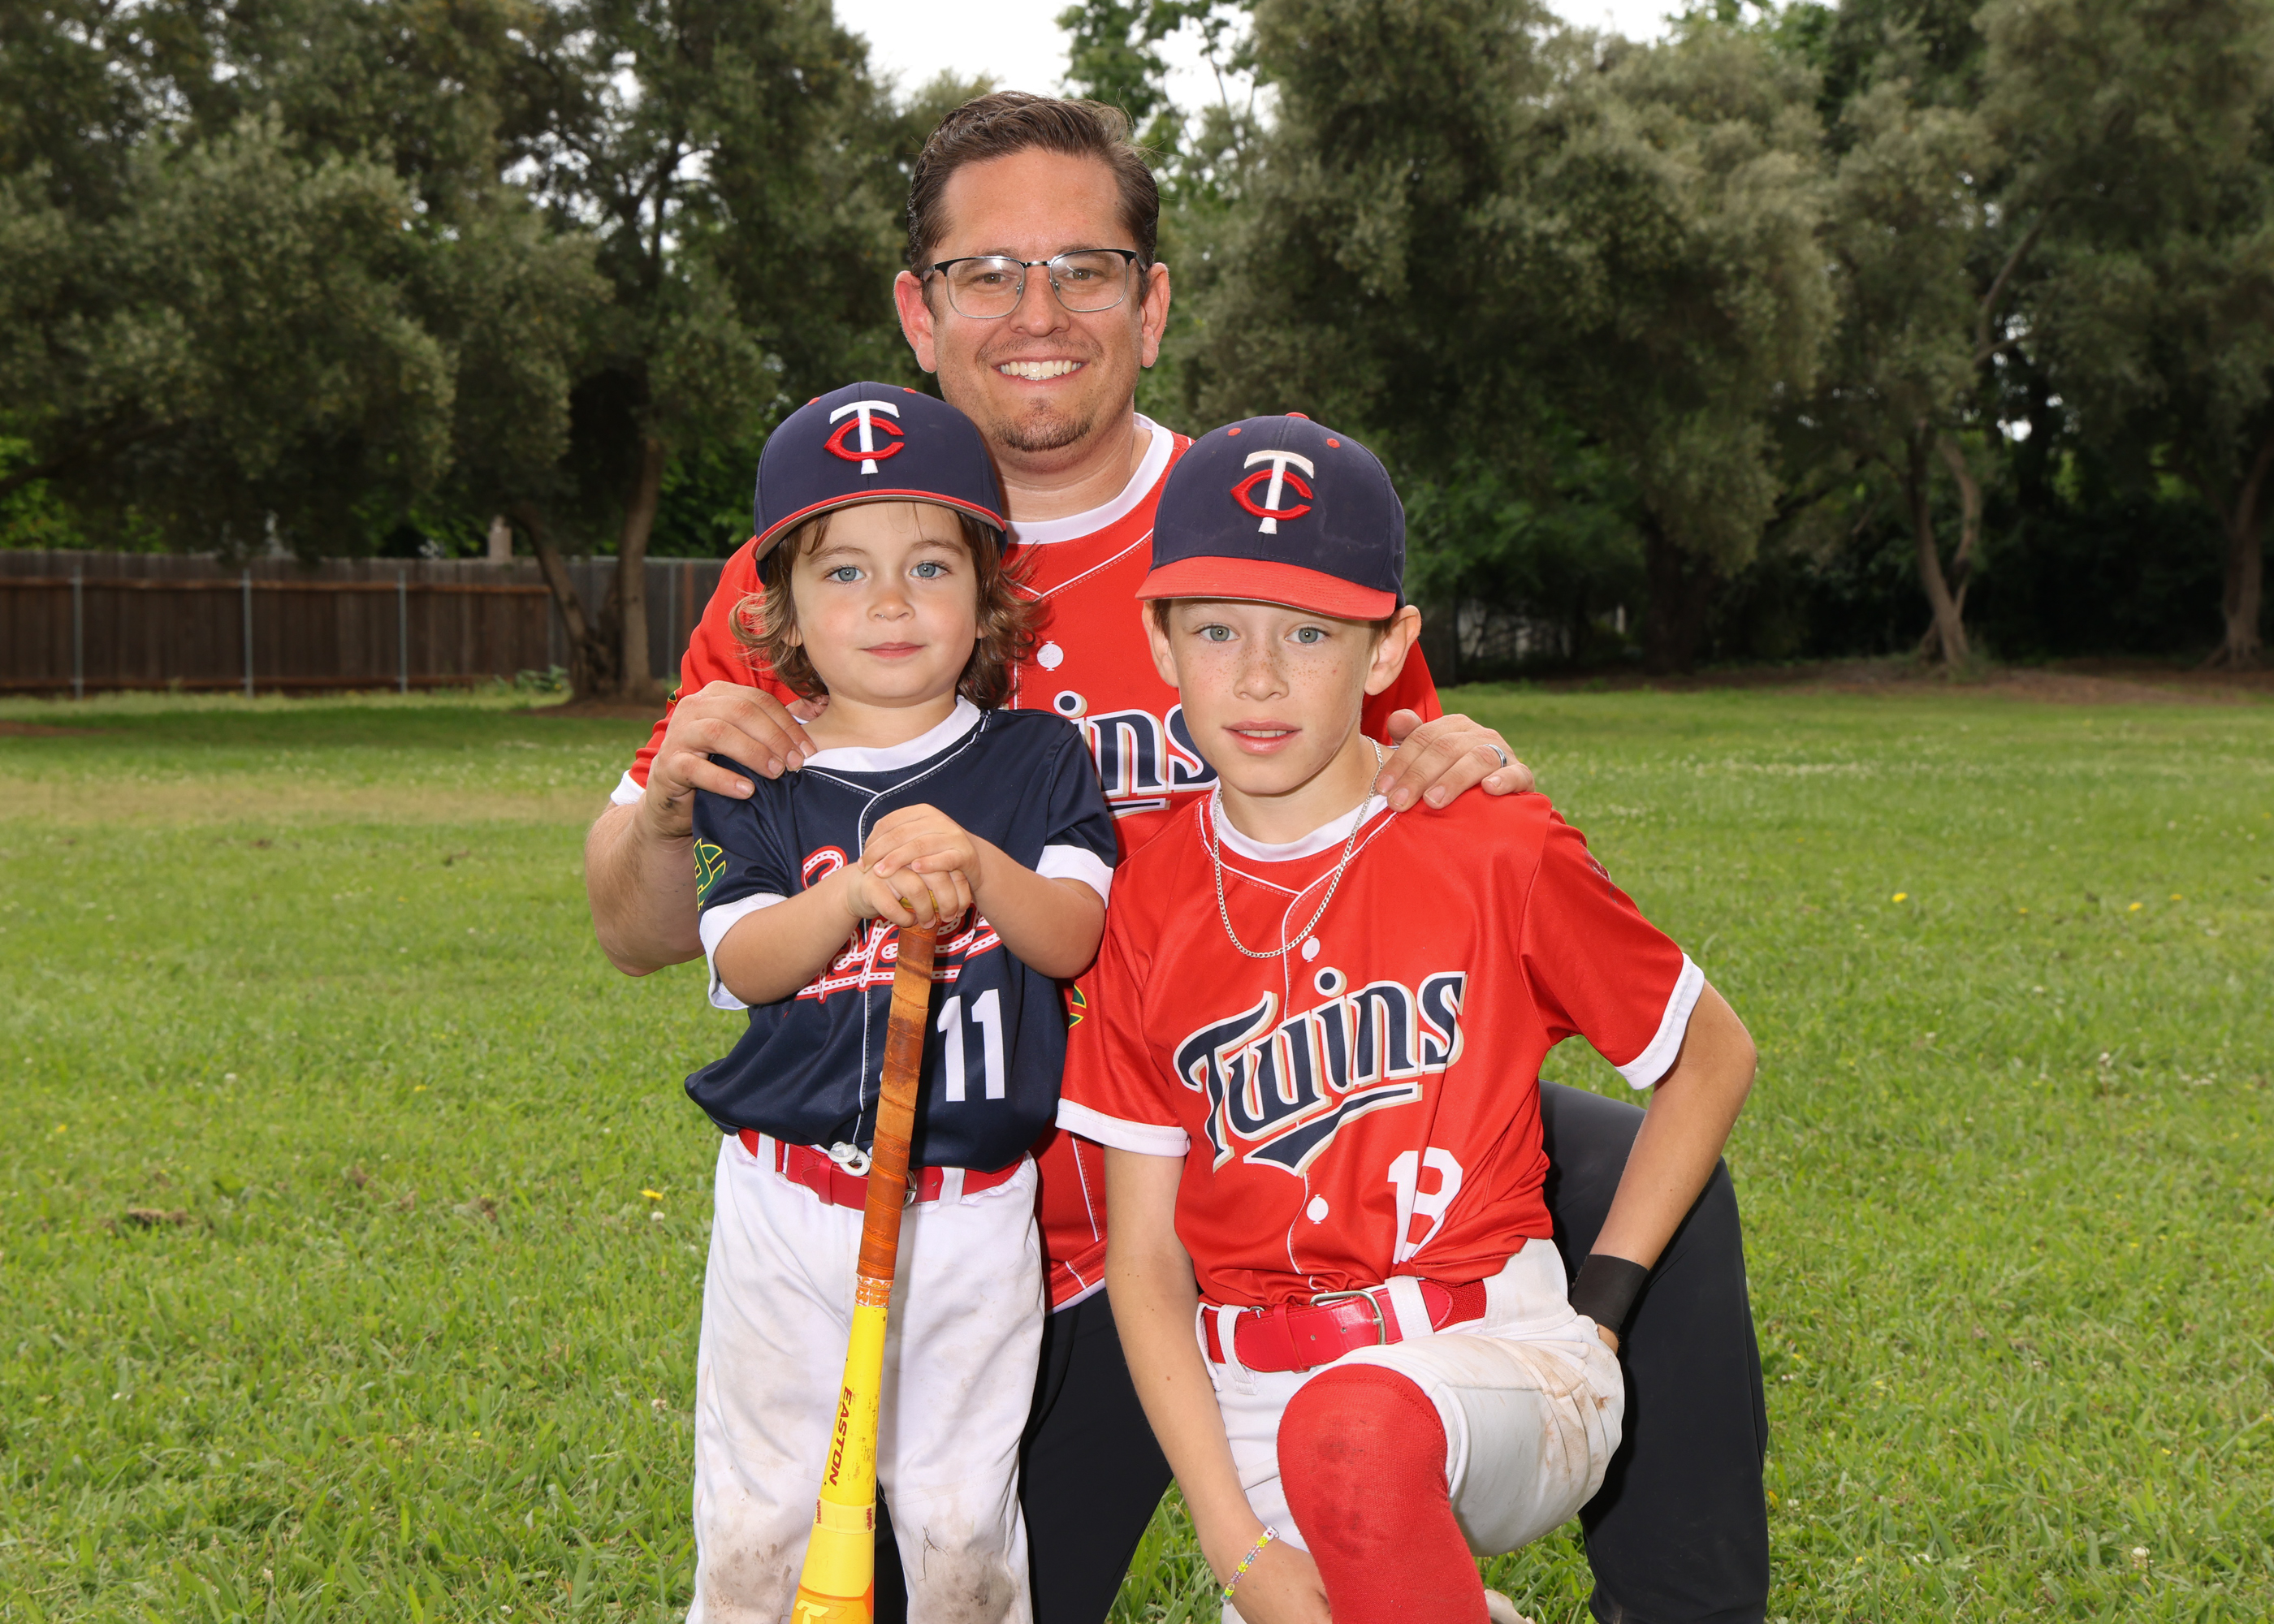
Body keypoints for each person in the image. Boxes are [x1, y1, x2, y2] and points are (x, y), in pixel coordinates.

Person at [587, 92, 1770, 1624]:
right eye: (986, 272)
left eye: (1083, 267)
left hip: (1305, 1136)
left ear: (1149, 304)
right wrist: (665, 808)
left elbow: (1411, 799)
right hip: (1005, 1216)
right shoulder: (835, 551)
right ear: (919, 311)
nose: (1037, 312)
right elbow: (638, 931)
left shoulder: (1256, 525)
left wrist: (1453, 755)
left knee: (1618, 1167)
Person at [1060, 414, 1759, 1624]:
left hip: (1499, 1357)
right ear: (1158, 639)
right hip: (1260, 1410)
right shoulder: (1142, 899)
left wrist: (1600, 1316)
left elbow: (1712, 1053)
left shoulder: (1487, 843)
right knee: (1340, 1468)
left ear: (1388, 648)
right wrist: (1236, 1548)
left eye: (1310, 633)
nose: (1261, 677)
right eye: (1218, 630)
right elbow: (1146, 1260)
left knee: (1356, 1431)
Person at [682, 382, 1116, 1624]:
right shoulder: (764, 775)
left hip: (972, 1212)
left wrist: (978, 863)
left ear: (987, 594)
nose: (889, 604)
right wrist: (854, 896)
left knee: (959, 1524)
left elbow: (1072, 934)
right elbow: (744, 961)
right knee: (757, 1529)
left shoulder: (1036, 761)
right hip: (787, 1201)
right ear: (780, 608)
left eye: (930, 566)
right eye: (843, 572)